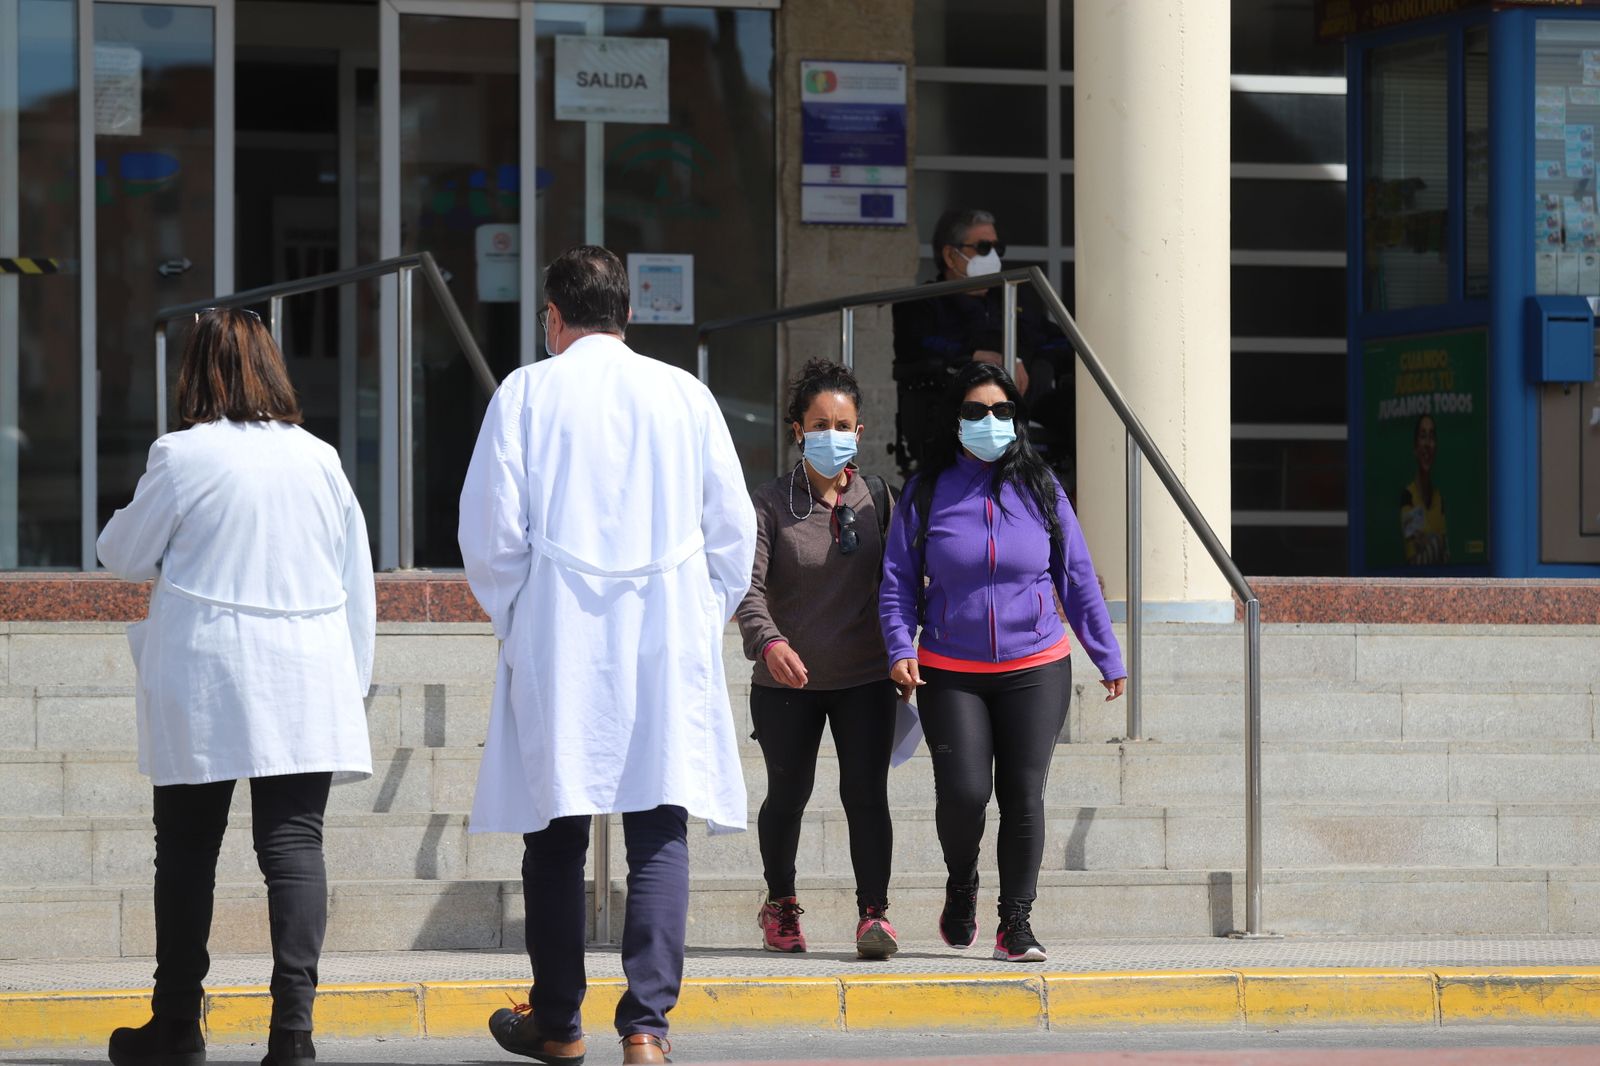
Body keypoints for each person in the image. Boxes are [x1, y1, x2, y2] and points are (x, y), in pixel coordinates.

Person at [459, 246, 757, 1066]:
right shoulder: (685, 395)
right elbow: (734, 534)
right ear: (627, 313)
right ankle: (647, 1029)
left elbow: (489, 537)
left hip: (561, 628)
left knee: (554, 832)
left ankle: (557, 1022)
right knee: (659, 822)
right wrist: (697, 613)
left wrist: (523, 616)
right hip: (665, 630)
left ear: (554, 317)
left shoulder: (527, 392)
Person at [97, 308, 376, 1066]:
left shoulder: (181, 456)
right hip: (306, 673)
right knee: (293, 847)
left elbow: (120, 554)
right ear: (272, 369)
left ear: (195, 373)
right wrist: (355, 679)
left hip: (209, 672)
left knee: (186, 851)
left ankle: (178, 1024)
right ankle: (293, 1033)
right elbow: (357, 576)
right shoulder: (319, 458)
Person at [878, 360, 1125, 964]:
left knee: (1024, 795)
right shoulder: (927, 489)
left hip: (1036, 663)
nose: (989, 421)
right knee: (963, 795)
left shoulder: (1041, 486)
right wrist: (900, 647)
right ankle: (961, 883)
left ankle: (1015, 922)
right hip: (950, 668)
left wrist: (1106, 652)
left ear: (1016, 418)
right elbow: (896, 581)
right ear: (954, 419)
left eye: (1001, 411)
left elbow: (1078, 577)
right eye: (974, 411)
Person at [735, 359, 899, 961]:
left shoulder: (879, 498)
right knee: (788, 792)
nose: (834, 434)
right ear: (798, 429)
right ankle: (780, 904)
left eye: (845, 424)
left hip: (865, 678)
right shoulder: (769, 504)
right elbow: (745, 589)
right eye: (820, 423)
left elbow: (901, 584)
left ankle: (873, 915)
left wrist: (904, 651)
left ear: (859, 431)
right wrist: (770, 642)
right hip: (786, 684)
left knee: (866, 794)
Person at [891, 208, 1077, 480]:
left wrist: (1038, 363)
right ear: (950, 255)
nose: (992, 255)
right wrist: (974, 357)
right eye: (983, 247)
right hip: (959, 404)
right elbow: (918, 349)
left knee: (1083, 415)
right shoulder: (923, 303)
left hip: (1025, 401)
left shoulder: (1012, 297)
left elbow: (1057, 340)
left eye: (996, 247)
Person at [1401, 413, 1449, 565]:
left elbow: (1446, 555)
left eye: (1432, 437)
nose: (1428, 444)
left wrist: (1430, 542)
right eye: (1423, 436)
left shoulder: (1438, 498)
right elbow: (1413, 561)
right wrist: (1436, 542)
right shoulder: (1408, 496)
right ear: (1415, 448)